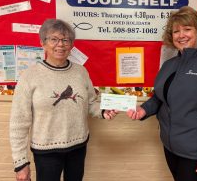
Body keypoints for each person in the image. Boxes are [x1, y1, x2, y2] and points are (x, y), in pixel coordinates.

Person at [127, 6, 197, 181]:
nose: (181, 35)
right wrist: (144, 110)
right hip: (171, 147)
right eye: (176, 31)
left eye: (187, 29)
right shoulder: (169, 65)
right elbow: (160, 97)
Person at [10, 19, 118, 181]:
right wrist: (21, 163)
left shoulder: (81, 72)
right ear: (43, 43)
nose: (60, 44)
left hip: (78, 147)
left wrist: (103, 111)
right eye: (54, 39)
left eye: (65, 40)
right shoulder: (29, 76)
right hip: (46, 152)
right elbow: (18, 122)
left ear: (71, 45)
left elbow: (90, 103)